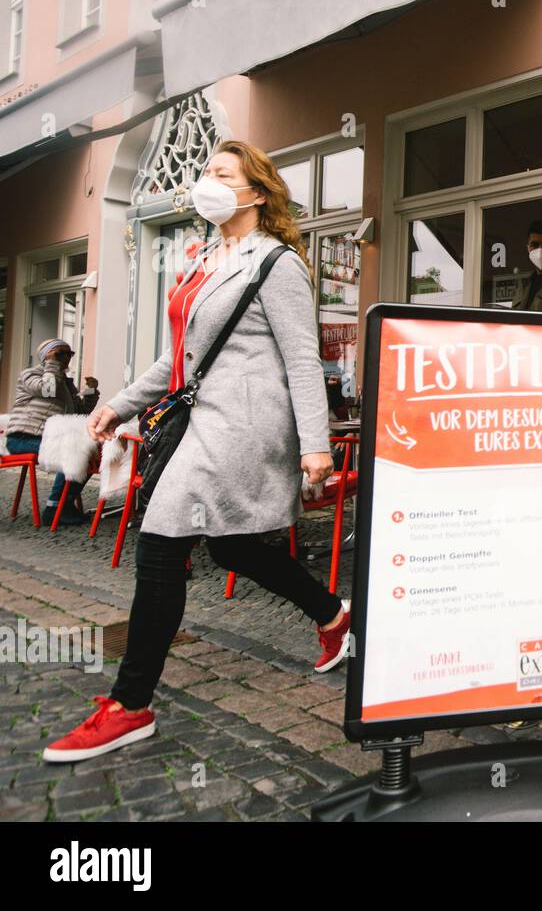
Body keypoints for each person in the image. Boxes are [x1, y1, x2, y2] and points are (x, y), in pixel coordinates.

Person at [43, 141, 352, 764]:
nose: (205, 180)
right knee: (233, 545)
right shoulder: (209, 257)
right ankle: (331, 614)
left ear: (257, 193)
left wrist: (315, 446)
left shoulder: (278, 262)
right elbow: (179, 355)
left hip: (243, 426)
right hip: (200, 421)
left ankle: (129, 706)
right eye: (205, 170)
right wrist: (119, 403)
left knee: (159, 540)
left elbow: (301, 357)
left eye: (221, 173)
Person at [6, 339, 100, 525]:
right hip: (22, 438)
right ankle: (54, 508)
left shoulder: (64, 382)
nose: (66, 358)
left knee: (91, 453)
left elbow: (80, 411)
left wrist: (91, 390)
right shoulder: (30, 374)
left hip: (48, 440)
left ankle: (64, 504)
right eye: (60, 354)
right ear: (46, 356)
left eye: (69, 354)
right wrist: (52, 363)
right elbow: (48, 391)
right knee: (71, 453)